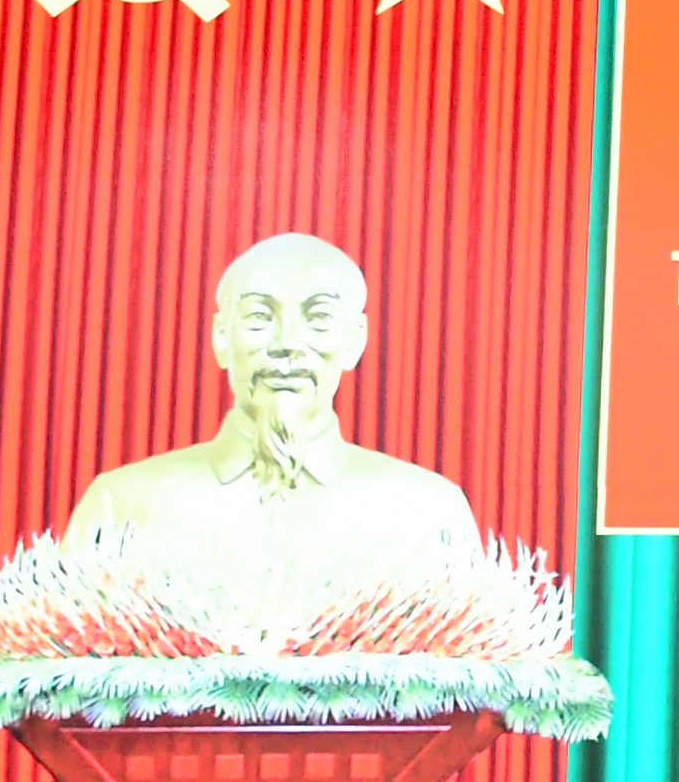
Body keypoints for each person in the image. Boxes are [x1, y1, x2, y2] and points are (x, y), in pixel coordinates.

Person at [66, 232, 482, 554]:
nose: (287, 343)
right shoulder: (119, 507)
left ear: (355, 340)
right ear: (221, 337)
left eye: (318, 318)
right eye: (259, 317)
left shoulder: (431, 515)